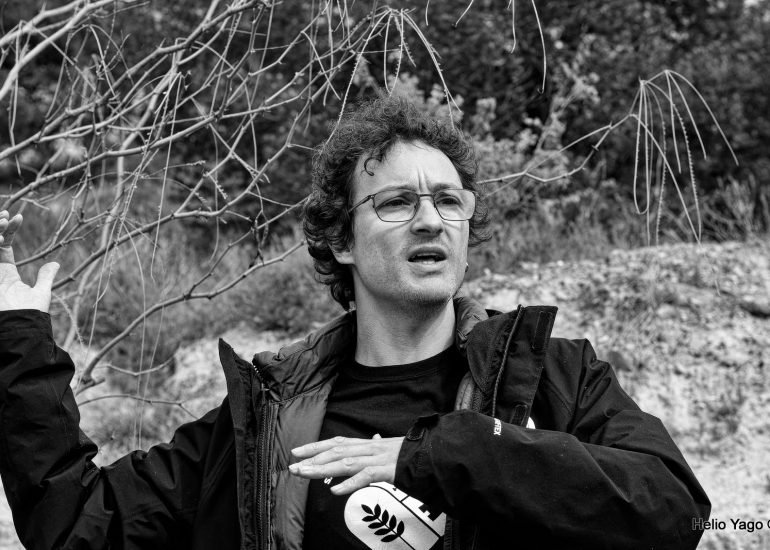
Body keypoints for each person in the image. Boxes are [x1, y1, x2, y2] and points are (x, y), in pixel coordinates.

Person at [0, 96, 709, 550]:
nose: (431, 220)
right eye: (397, 202)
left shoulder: (551, 379)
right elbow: (77, 525)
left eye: (450, 201)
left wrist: (441, 456)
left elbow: (674, 509)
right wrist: (17, 333)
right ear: (341, 240)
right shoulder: (266, 420)